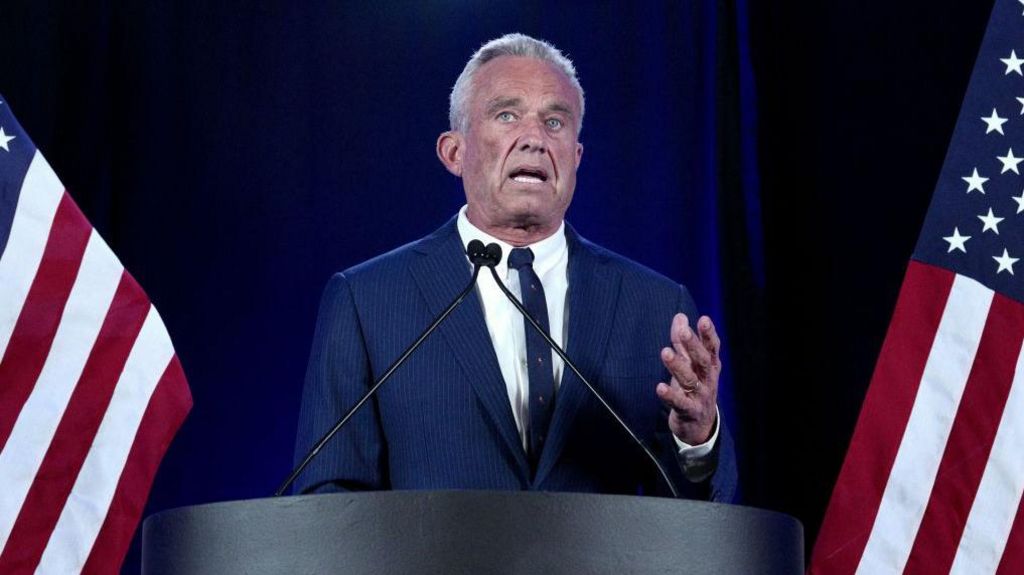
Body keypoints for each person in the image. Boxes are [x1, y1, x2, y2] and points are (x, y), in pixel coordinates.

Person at [293, 33, 737, 501]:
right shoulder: (368, 301)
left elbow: (700, 516)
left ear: (576, 158)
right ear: (454, 151)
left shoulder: (657, 306)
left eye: (555, 122)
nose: (534, 139)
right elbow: (330, 500)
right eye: (507, 115)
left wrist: (697, 439)